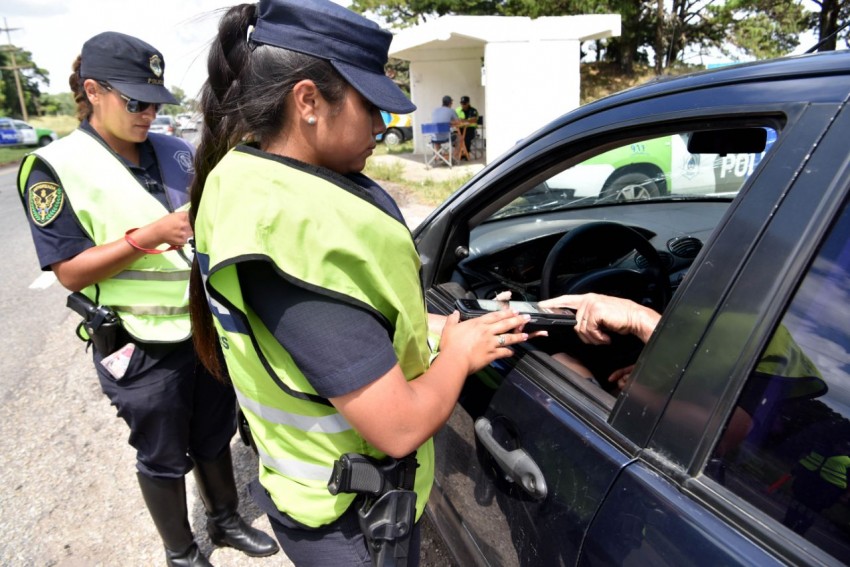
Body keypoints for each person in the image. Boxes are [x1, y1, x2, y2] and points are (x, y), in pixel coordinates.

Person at [187, 1, 537, 565]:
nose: (382, 126)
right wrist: (459, 354)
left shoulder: (247, 176)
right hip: (353, 524)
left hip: (327, 497)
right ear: (307, 101)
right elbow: (398, 427)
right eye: (370, 105)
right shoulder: (291, 229)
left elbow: (357, 322)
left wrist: (443, 325)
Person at [16, 31, 278, 566]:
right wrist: (147, 236)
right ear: (93, 91)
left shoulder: (177, 151)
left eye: (156, 101)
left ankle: (225, 521)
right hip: (136, 341)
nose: (149, 114)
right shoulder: (55, 168)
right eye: (136, 102)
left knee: (212, 432)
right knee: (161, 453)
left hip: (201, 330)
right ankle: (180, 553)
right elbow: (68, 271)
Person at [455, 95, 480, 160]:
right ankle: (460, 153)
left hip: (470, 129)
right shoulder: (457, 110)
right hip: (460, 128)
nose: (463, 105)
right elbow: (454, 119)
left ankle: (465, 154)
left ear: (468, 103)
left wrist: (464, 120)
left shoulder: (473, 110)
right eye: (462, 103)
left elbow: (474, 120)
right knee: (454, 137)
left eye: (465, 103)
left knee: (466, 137)